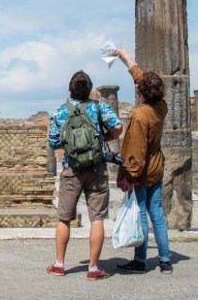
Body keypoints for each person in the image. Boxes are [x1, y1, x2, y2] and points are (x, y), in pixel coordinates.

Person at [47, 70, 123, 280]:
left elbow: (53, 142)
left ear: (69, 89)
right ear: (89, 90)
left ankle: (59, 264)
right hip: (97, 168)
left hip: (71, 169)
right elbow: (118, 127)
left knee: (63, 218)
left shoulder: (60, 112)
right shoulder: (100, 107)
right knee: (97, 218)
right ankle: (93, 268)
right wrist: (105, 136)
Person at [114, 48, 173, 274]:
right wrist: (124, 57)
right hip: (157, 166)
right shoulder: (161, 106)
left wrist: (131, 175)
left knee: (139, 213)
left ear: (141, 92)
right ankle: (165, 260)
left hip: (142, 171)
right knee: (156, 213)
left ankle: (140, 260)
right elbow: (143, 79)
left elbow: (137, 151)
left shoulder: (140, 116)